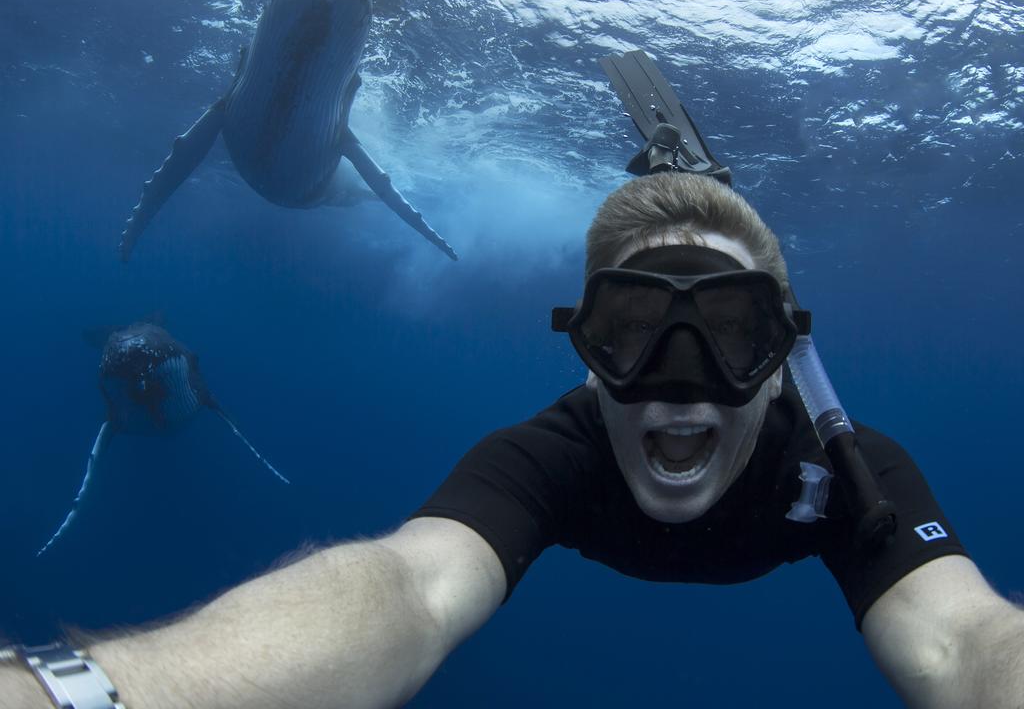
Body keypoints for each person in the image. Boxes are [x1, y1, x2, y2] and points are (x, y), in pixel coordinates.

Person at [3, 172, 1022, 709]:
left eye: (726, 336)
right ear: (585, 356)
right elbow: (407, 589)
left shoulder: (845, 469)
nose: (679, 381)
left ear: (783, 355)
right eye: (632, 331)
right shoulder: (554, 455)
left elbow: (967, 644)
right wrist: (98, 696)